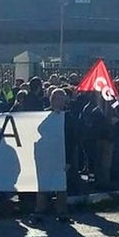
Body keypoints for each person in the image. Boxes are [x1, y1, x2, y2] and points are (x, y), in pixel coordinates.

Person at [29, 88, 76, 225]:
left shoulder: (68, 117)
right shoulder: (43, 116)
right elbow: (37, 132)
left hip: (61, 157)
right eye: (55, 98)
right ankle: (39, 211)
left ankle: (62, 212)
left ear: (64, 101)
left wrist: (69, 160)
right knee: (43, 185)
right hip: (46, 157)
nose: (57, 101)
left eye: (60, 99)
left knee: (61, 187)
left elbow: (72, 140)